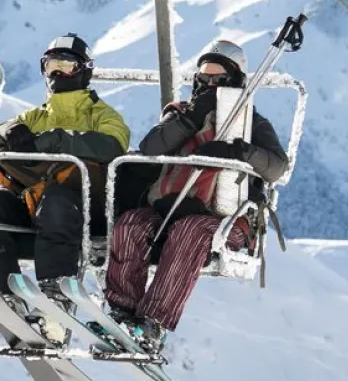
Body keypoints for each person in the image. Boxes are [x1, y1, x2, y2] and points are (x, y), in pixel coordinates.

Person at [103, 39, 289, 353]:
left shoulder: (249, 122)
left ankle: (152, 324)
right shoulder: (182, 115)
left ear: (234, 82)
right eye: (204, 79)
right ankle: (121, 311)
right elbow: (151, 148)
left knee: (190, 231)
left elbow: (276, 167)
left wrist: (237, 150)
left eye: (219, 80)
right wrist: (189, 120)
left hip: (228, 222)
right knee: (131, 223)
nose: (210, 86)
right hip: (170, 209)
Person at [0, 33, 130, 345]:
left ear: (83, 71)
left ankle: (57, 304)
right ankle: (8, 295)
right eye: (50, 65)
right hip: (37, 212)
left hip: (86, 214)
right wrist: (6, 130)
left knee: (56, 199)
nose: (56, 73)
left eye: (65, 65)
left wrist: (53, 140)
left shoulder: (103, 116)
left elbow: (111, 144)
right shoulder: (35, 117)